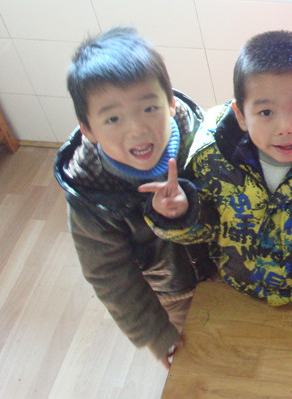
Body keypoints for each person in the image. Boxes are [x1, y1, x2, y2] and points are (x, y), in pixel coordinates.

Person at [140, 30, 292, 343]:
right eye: (265, 112)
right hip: (235, 293)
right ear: (241, 115)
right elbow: (207, 228)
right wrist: (179, 213)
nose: (285, 127)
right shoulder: (212, 155)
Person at [54, 27, 214, 368]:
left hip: (224, 267)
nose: (137, 129)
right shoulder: (92, 196)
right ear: (87, 128)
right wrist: (156, 334)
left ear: (170, 103)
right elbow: (109, 276)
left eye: (149, 108)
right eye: (113, 118)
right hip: (175, 290)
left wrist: (187, 209)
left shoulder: (202, 140)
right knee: (201, 353)